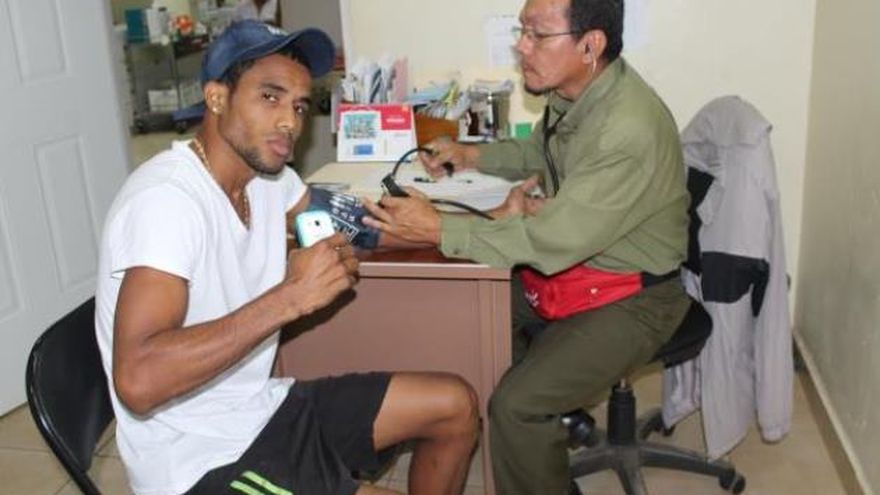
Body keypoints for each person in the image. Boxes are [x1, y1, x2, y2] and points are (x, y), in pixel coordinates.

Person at [95, 20, 478, 495]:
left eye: (299, 105)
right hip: (194, 458)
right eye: (269, 97)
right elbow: (138, 379)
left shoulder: (266, 178)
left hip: (260, 409)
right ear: (217, 98)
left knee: (455, 405)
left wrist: (455, 226)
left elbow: (355, 225)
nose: (290, 122)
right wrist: (290, 297)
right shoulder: (166, 202)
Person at [361, 0, 691, 493]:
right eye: (522, 31)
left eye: (537, 34)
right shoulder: (575, 93)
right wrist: (469, 154)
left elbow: (548, 240)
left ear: (590, 45)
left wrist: (438, 229)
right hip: (580, 269)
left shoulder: (626, 128)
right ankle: (536, 430)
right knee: (461, 314)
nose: (521, 46)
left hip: (637, 295)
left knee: (518, 406)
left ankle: (535, 424)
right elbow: (537, 151)